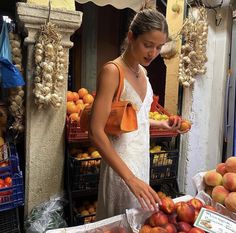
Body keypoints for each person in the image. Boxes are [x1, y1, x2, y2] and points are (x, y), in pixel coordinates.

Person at [89, 1, 183, 220]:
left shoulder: (143, 72)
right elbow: (95, 131)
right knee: (120, 223)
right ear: (131, 37)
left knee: (140, 222)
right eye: (148, 45)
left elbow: (135, 117)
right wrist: (130, 179)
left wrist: (162, 123)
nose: (153, 53)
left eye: (159, 47)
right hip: (119, 169)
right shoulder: (112, 72)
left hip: (141, 162)